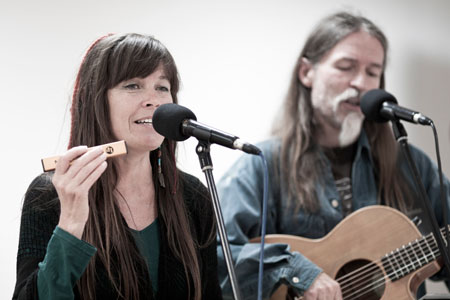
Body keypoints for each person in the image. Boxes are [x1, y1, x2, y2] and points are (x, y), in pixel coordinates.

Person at [217, 11, 450, 300]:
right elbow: (217, 254)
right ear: (307, 73)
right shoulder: (261, 164)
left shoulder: (411, 164)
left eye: (372, 72)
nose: (361, 83)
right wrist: (298, 271)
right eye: (346, 67)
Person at [13, 33, 223, 300]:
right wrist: (70, 225)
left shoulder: (192, 195)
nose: (153, 101)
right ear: (96, 101)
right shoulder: (50, 194)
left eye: (162, 87)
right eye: (133, 85)